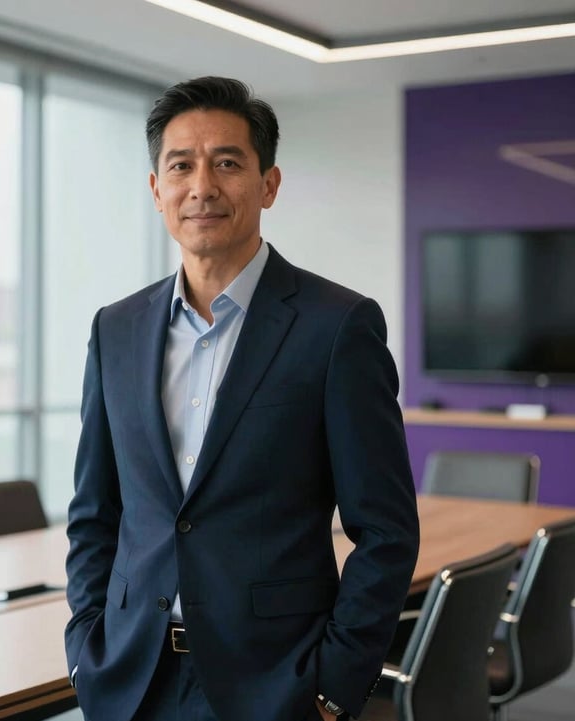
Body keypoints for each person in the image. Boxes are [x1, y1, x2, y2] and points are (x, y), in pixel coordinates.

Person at [65, 76, 419, 721]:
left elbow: (387, 531)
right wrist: (85, 643)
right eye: (181, 166)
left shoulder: (336, 326)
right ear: (156, 190)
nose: (202, 186)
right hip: (129, 679)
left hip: (274, 684)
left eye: (228, 162)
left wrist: (332, 686)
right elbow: (97, 509)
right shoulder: (113, 329)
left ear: (269, 184)